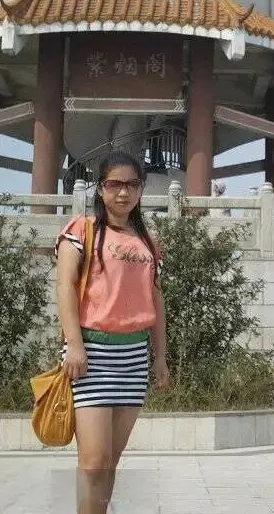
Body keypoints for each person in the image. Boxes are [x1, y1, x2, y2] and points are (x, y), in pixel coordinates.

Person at [55, 150, 169, 514]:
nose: (123, 192)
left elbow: (156, 298)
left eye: (132, 184)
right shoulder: (81, 230)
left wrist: (160, 357)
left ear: (141, 188)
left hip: (133, 356)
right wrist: (74, 345)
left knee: (110, 461)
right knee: (93, 462)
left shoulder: (147, 241)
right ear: (100, 188)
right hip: (91, 355)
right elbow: (64, 287)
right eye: (114, 184)